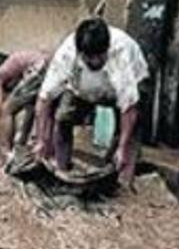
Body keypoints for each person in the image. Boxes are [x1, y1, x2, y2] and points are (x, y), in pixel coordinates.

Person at [33, 17, 149, 184]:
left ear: (107, 49)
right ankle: (62, 170)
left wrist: (122, 147)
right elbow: (44, 99)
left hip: (123, 88)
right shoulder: (66, 53)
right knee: (63, 118)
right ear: (80, 52)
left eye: (100, 57)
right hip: (82, 88)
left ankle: (122, 181)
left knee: (129, 133)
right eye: (90, 58)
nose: (95, 62)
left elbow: (129, 107)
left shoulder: (121, 53)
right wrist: (41, 140)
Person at [0, 49, 49, 163]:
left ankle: (5, 152)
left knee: (7, 110)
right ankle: (21, 146)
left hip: (37, 68)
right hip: (47, 66)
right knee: (31, 108)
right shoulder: (17, 65)